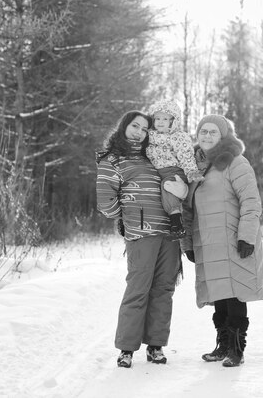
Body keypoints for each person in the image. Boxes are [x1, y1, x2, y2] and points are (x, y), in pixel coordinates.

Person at [179, 114, 263, 367]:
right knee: (219, 292)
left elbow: (251, 201)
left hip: (233, 238)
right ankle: (223, 345)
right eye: (202, 131)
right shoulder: (194, 166)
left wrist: (246, 236)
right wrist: (187, 243)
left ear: (224, 135)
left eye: (212, 132)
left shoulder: (235, 163)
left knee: (235, 292)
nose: (206, 136)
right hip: (206, 240)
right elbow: (187, 210)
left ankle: (236, 350)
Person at [96, 110, 182, 368]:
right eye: (135, 126)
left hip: (169, 232)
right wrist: (126, 218)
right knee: (138, 289)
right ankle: (126, 349)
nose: (140, 132)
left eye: (145, 129)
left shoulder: (154, 155)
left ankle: (155, 346)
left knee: (164, 289)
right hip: (141, 233)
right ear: (124, 126)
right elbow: (105, 202)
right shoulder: (112, 160)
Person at [146, 100, 203, 239]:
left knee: (168, 186)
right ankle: (165, 222)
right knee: (160, 191)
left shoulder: (178, 137)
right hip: (157, 174)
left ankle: (176, 222)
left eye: (165, 119)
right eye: (157, 118)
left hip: (174, 172)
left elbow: (186, 155)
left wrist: (191, 172)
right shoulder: (149, 137)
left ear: (173, 121)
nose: (160, 122)